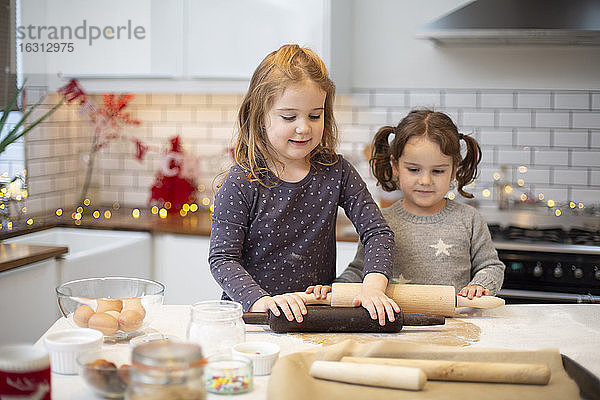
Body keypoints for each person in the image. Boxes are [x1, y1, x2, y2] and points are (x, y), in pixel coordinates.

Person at [209, 44, 399, 326]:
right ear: (261, 116)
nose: (304, 127)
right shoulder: (241, 181)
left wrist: (371, 288)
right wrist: (263, 302)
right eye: (289, 117)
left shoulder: (337, 172)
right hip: (254, 321)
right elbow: (222, 259)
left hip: (314, 318)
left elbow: (378, 233)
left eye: (314, 115)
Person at [336, 109, 505, 299]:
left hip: (457, 322)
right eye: (414, 169)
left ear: (453, 170)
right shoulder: (380, 221)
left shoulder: (469, 219)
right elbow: (359, 270)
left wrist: (480, 285)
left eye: (438, 171)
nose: (425, 180)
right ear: (396, 166)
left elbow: (491, 266)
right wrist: (336, 288)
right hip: (397, 324)